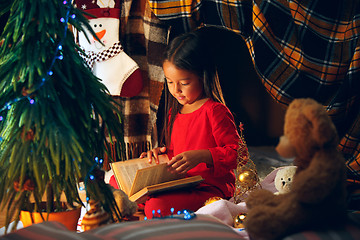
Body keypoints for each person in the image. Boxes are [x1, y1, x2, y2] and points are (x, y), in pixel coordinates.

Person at [139, 30, 247, 218]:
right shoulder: (175, 112)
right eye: (170, 82)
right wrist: (161, 154)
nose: (176, 90)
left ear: (202, 75)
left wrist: (204, 155)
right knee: (116, 182)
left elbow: (240, 154)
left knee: (155, 207)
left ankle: (149, 206)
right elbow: (178, 153)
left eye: (184, 82)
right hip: (182, 184)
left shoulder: (215, 110)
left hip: (209, 189)